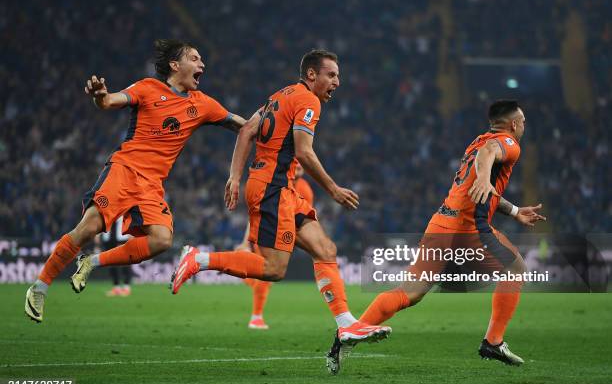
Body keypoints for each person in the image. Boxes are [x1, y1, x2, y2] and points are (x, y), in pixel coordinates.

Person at [171, 50, 391, 344]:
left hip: (279, 187)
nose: (337, 81)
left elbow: (248, 129)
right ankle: (200, 259)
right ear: (312, 75)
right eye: (331, 75)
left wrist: (235, 176)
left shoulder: (278, 96)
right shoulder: (309, 100)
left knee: (325, 249)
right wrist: (333, 189)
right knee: (273, 269)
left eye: (338, 75)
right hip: (271, 189)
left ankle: (346, 324)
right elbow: (304, 151)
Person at [24, 39, 247, 323]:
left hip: (152, 185)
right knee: (89, 228)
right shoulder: (147, 88)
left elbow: (241, 124)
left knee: (162, 240)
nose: (202, 64)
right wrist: (99, 95)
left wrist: (271, 126)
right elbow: (108, 101)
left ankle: (92, 261)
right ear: (175, 65)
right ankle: (39, 287)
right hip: (124, 170)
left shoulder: (202, 104)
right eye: (195, 58)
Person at [326, 100, 547, 374]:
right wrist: (484, 177)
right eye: (523, 120)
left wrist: (513, 210)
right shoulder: (508, 144)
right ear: (514, 124)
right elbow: (489, 156)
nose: (524, 125)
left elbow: (482, 180)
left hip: (442, 223)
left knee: (409, 293)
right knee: (516, 269)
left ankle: (347, 335)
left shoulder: (477, 141)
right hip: (468, 229)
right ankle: (493, 341)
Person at [237, 163, 314, 330]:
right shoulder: (276, 183)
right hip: (266, 230)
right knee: (267, 275)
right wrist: (246, 241)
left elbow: (302, 219)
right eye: (297, 165)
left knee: (267, 276)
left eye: (302, 166)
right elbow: (256, 214)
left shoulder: (305, 191)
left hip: (283, 234)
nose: (299, 168)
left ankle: (238, 266)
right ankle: (256, 317)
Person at [99, 217, 133, 297]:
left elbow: (129, 217)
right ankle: (116, 287)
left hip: (122, 237)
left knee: (125, 261)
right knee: (112, 263)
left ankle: (126, 287)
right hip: (108, 238)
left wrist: (131, 233)